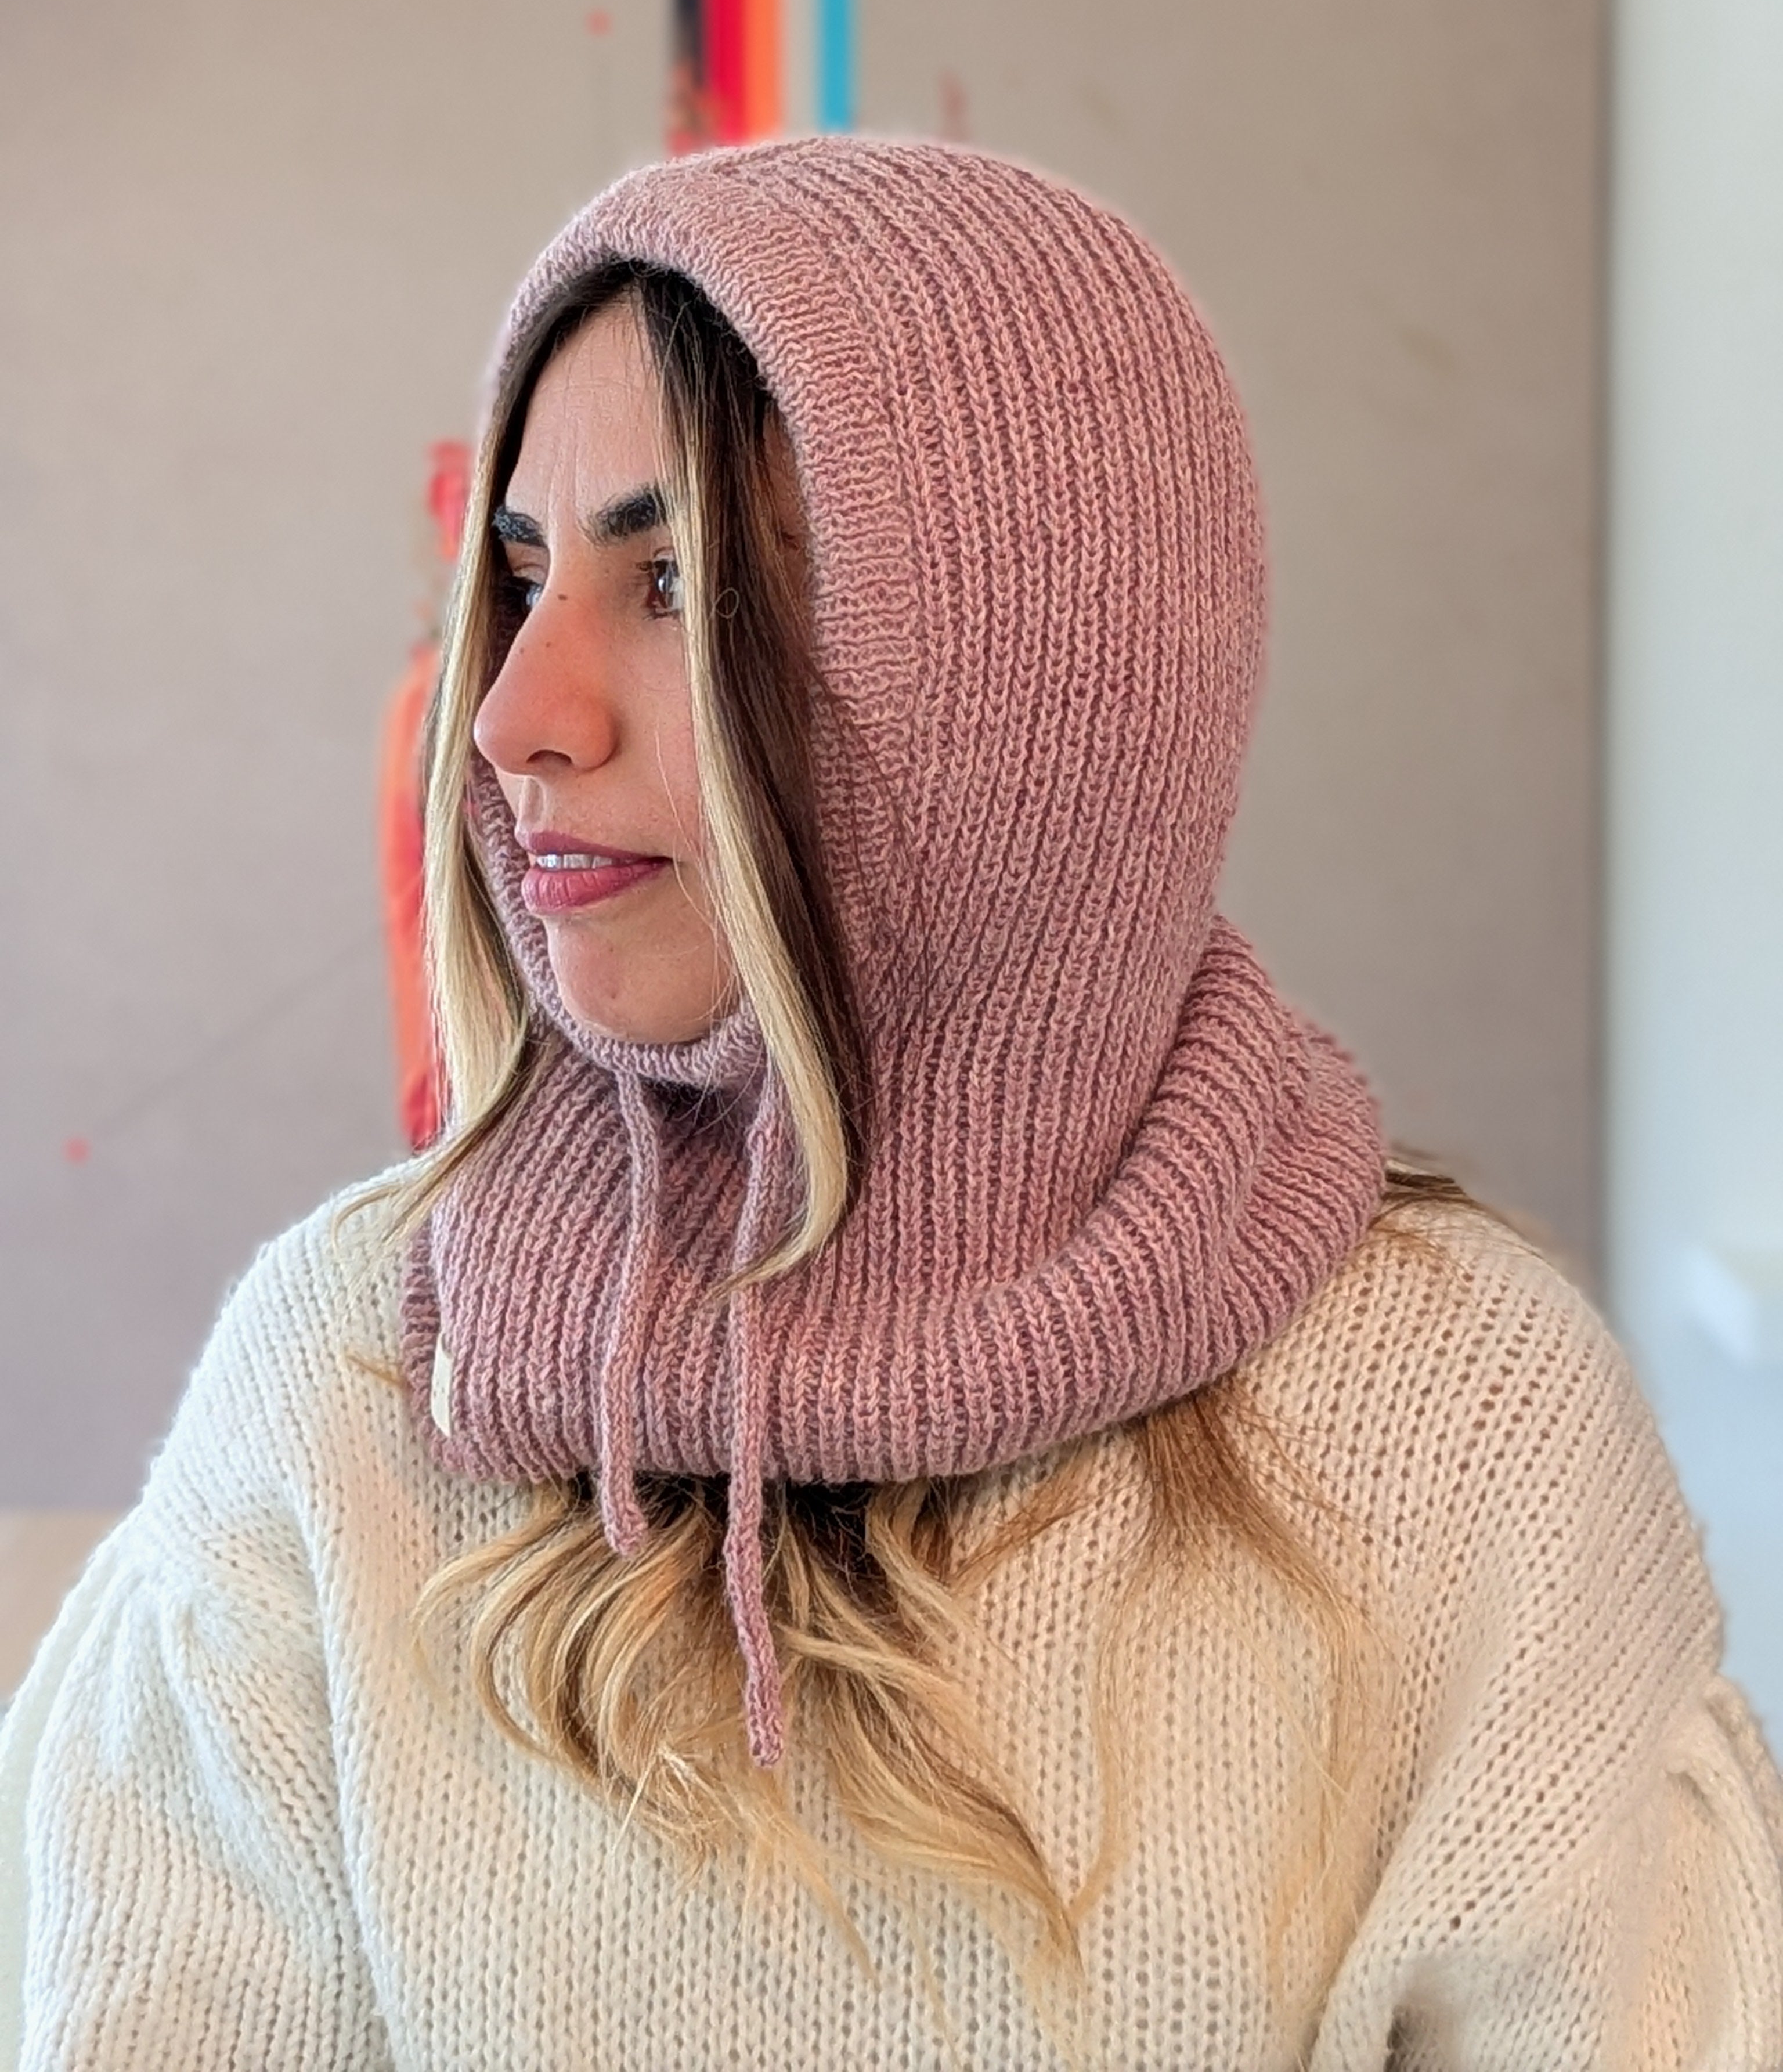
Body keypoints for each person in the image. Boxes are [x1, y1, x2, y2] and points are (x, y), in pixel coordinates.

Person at [3, 137, 1781, 2070]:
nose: (515, 713)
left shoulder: (1465, 1438)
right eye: (522, 579)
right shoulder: (346, 1385)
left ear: (1025, 680)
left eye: (668, 579)